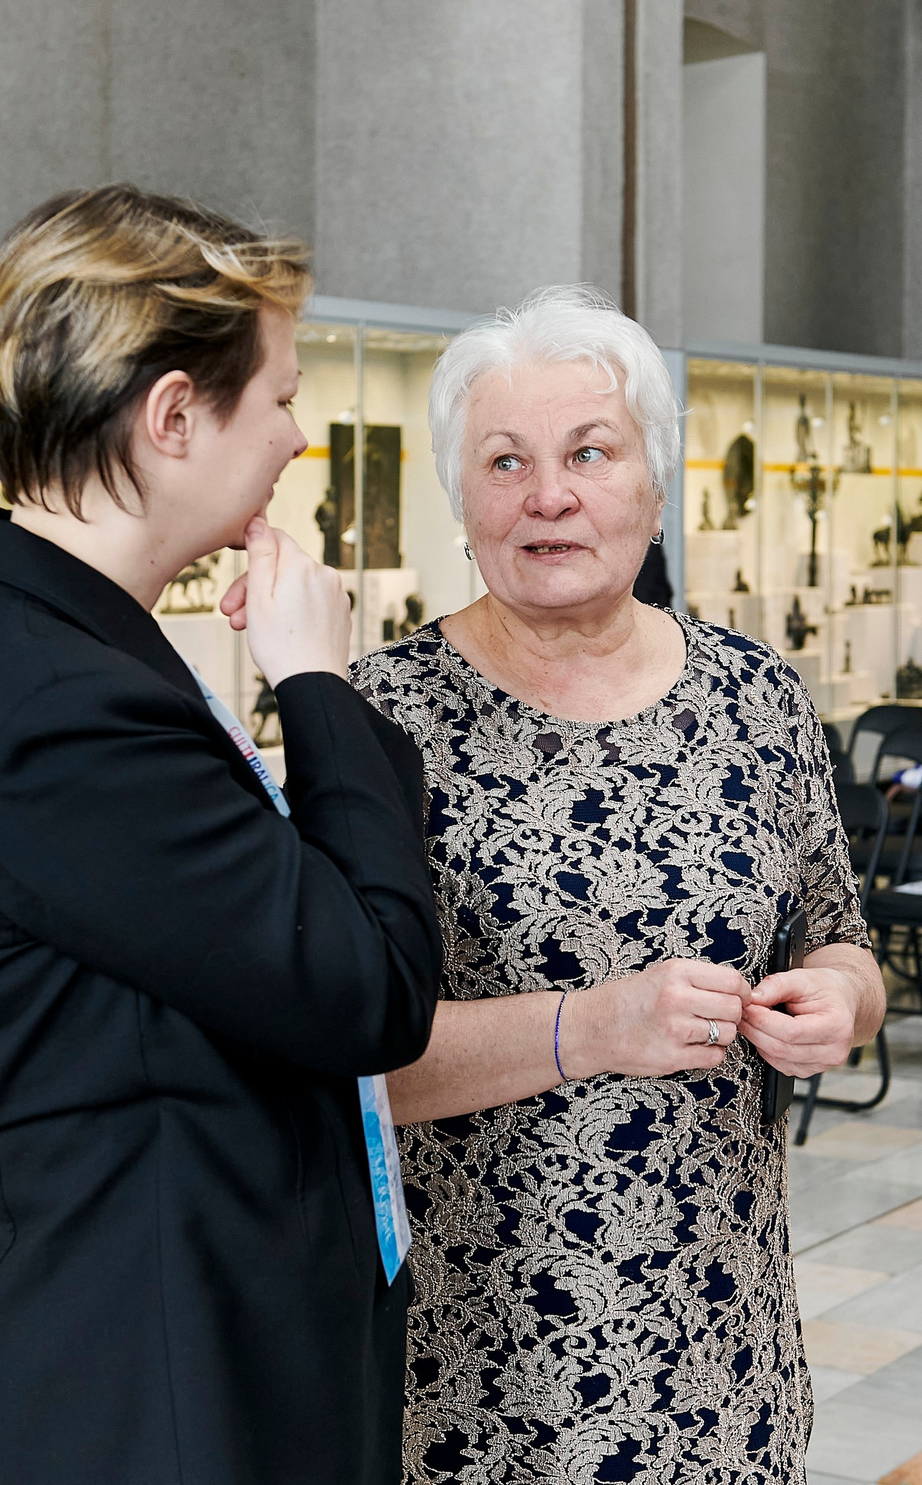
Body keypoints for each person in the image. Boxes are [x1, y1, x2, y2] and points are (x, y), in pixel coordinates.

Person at [0, 185, 442, 1485]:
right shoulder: (60, 711)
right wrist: (318, 683)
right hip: (130, 1394)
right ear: (174, 413)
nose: (301, 437)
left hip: (168, 1359)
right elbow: (370, 985)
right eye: (282, 396)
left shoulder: (75, 655)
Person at [350, 286, 882, 1483]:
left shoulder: (757, 699)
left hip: (719, 1356)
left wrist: (843, 1000)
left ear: (652, 481)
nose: (549, 495)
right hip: (472, 1371)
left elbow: (839, 936)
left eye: (588, 452)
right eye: (505, 463)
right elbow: (340, 1064)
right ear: (461, 498)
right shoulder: (381, 718)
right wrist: (590, 1029)